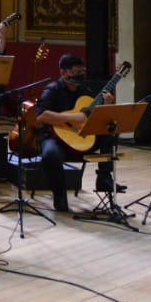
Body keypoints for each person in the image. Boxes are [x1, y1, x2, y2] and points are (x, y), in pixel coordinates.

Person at [30, 54, 117, 213]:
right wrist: (72, 117)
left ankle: (103, 178)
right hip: (55, 138)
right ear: (63, 73)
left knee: (109, 135)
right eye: (75, 72)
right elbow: (41, 116)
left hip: (81, 139)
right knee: (50, 155)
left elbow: (95, 119)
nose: (80, 75)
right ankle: (59, 195)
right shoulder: (52, 90)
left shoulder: (85, 91)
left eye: (82, 71)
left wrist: (106, 105)